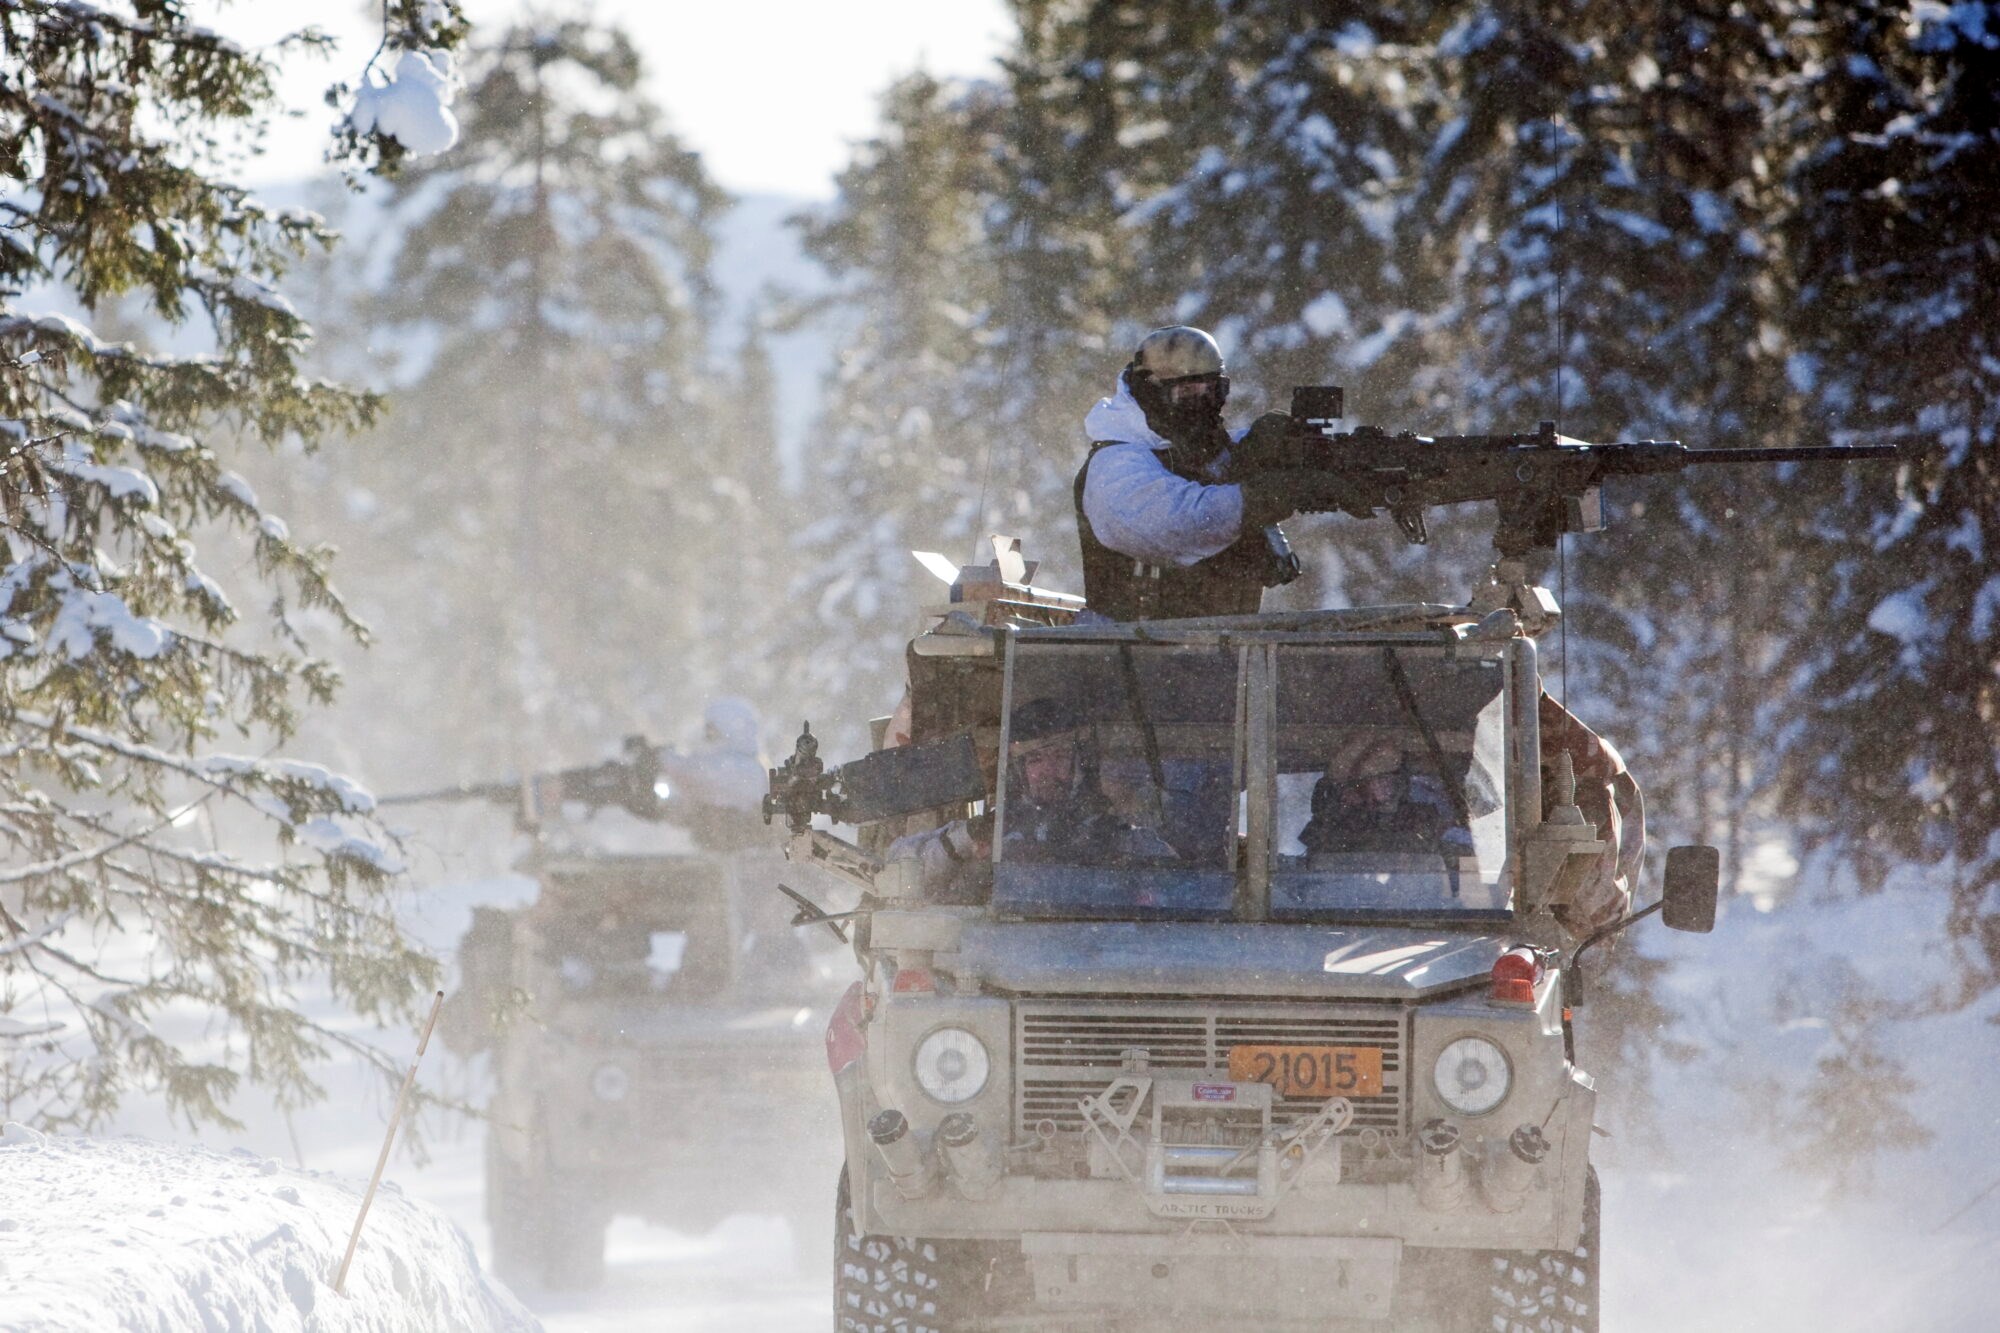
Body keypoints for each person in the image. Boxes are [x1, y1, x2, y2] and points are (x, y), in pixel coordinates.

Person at [1074, 325, 1362, 621]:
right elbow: (1182, 522)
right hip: (1126, 652)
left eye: (1212, 390)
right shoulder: (1116, 463)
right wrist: (1277, 492)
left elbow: (1228, 463)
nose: (1203, 402)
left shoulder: (1199, 451)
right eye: (1186, 391)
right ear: (1152, 391)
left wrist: (1328, 459)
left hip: (1209, 649)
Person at [1297, 735, 1464, 857]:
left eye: (1390, 779)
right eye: (1347, 790)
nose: (1387, 786)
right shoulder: (1334, 823)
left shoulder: (1420, 806)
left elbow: (1457, 835)